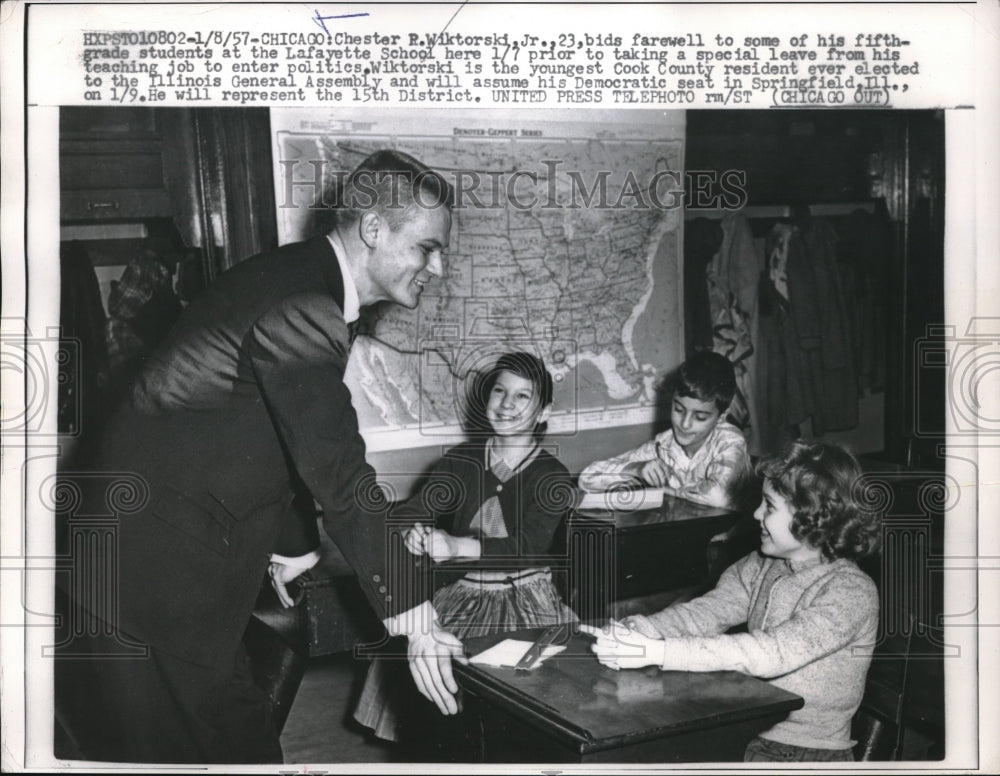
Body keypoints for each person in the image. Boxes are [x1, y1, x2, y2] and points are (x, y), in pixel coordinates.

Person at [58, 149, 465, 764]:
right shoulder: (306, 304)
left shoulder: (298, 279)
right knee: (226, 748)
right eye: (428, 247)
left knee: (222, 742)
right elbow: (337, 467)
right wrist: (412, 611)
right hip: (154, 579)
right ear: (375, 230)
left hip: (144, 564)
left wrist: (297, 545)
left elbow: (259, 432)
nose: (439, 266)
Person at [583, 441, 882, 762]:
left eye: (768, 506)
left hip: (808, 754)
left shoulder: (850, 591)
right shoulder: (762, 564)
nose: (755, 513)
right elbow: (705, 612)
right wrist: (640, 629)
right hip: (747, 730)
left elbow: (770, 653)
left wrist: (658, 651)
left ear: (812, 517)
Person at [353, 351, 578, 743]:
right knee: (429, 669)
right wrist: (413, 529)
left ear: (544, 411)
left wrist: (456, 545)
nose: (507, 404)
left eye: (523, 396)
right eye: (499, 391)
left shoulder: (552, 475)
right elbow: (414, 509)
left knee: (506, 708)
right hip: (461, 592)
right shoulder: (461, 461)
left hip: (524, 601)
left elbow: (525, 546)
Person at [578, 350, 750, 509]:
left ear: (721, 417)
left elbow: (717, 497)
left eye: (700, 417)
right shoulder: (664, 444)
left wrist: (669, 492)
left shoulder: (730, 441)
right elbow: (587, 478)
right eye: (679, 409)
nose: (685, 424)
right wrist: (636, 469)